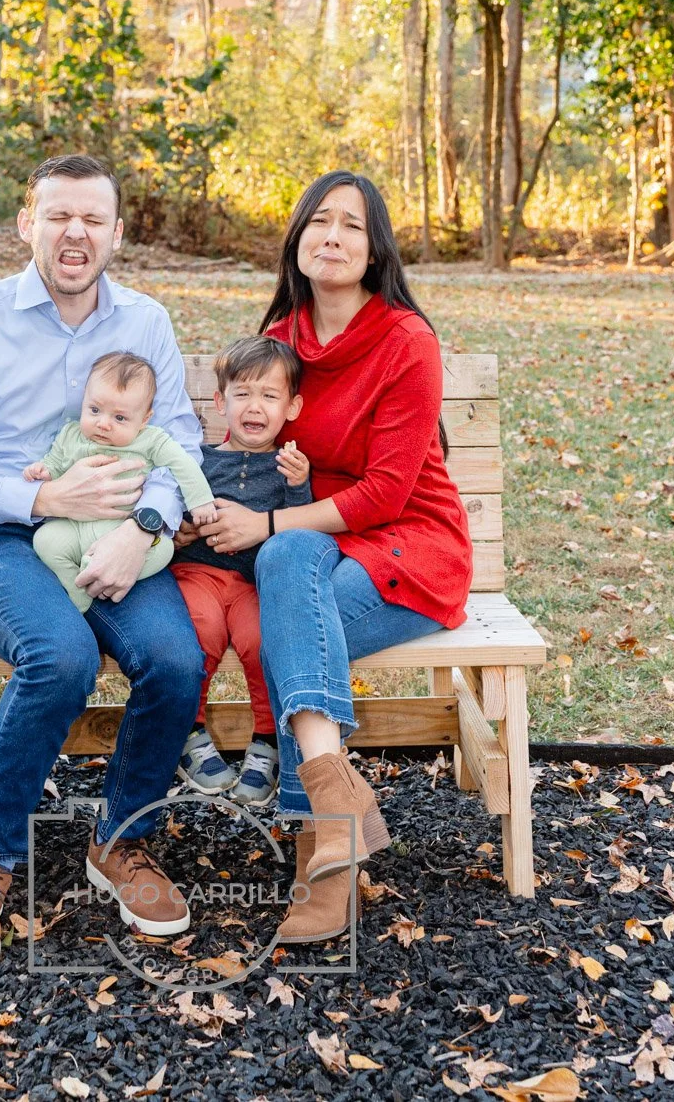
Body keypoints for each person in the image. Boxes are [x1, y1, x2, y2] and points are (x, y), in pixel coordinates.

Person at [0, 154, 207, 972]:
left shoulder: (146, 322)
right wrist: (42, 497)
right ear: (27, 224)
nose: (76, 233)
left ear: (117, 233)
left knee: (176, 659)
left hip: (120, 534)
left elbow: (179, 443)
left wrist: (143, 527)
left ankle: (122, 840)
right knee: (61, 656)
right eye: (58, 216)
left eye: (92, 219)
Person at [196, 171, 473, 944]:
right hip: (315, 541)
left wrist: (268, 522)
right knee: (289, 574)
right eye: (319, 221)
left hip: (409, 543)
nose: (333, 236)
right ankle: (334, 808)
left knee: (293, 618)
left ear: (375, 248)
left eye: (352, 224)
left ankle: (321, 857)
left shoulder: (405, 341)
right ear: (298, 239)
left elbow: (386, 493)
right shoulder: (281, 336)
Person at [170, 336, 312, 807]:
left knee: (261, 641)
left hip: (255, 583)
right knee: (201, 630)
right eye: (243, 393)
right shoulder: (199, 461)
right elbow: (174, 512)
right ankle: (189, 732)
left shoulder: (289, 466)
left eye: (269, 396)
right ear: (220, 402)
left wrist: (298, 486)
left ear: (291, 407)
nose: (255, 406)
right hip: (199, 575)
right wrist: (183, 529)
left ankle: (267, 741)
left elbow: (299, 530)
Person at [25, 351, 216, 612]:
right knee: (45, 541)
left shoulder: (151, 440)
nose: (103, 424)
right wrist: (43, 471)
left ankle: (97, 571)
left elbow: (183, 463)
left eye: (120, 418)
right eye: (94, 410)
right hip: (75, 528)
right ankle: (77, 587)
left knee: (163, 550)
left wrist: (200, 501)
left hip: (124, 529)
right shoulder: (71, 435)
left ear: (144, 419)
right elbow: (55, 464)